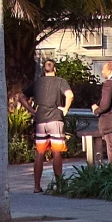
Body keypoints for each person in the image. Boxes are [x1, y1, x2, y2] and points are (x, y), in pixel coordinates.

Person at [31, 58, 74, 192]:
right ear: (55, 69)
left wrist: (32, 111)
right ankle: (59, 185)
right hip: (56, 119)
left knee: (39, 152)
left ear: (44, 70)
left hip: (40, 120)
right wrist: (66, 108)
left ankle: (37, 186)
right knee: (56, 152)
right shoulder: (61, 81)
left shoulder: (37, 83)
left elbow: (22, 96)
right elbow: (70, 95)